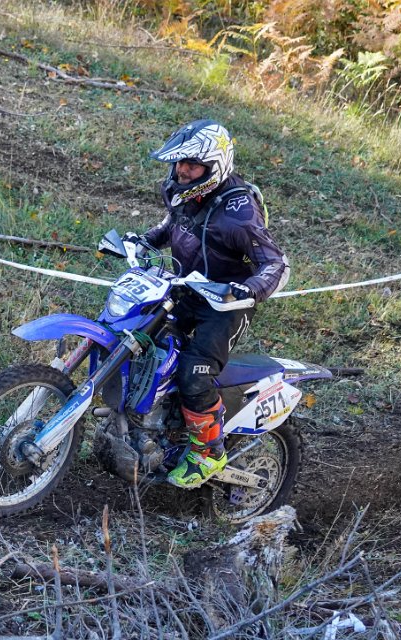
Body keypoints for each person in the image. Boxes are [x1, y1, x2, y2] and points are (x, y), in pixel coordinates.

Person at [131, 119, 290, 488]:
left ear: (215, 167)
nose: (182, 170)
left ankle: (209, 451)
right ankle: (152, 426)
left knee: (194, 371)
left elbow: (276, 263)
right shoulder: (180, 189)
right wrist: (146, 240)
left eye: (192, 164)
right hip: (184, 288)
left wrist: (248, 290)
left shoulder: (239, 214)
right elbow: (175, 223)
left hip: (224, 304)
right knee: (143, 344)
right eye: (179, 162)